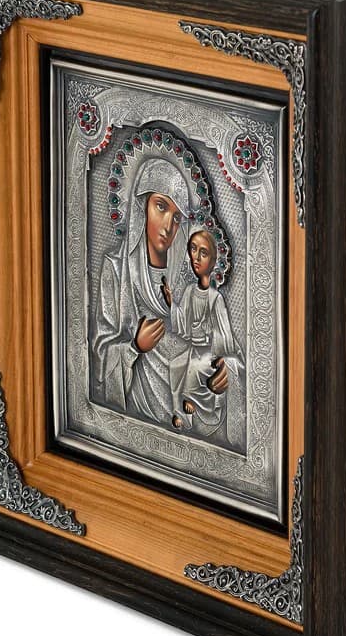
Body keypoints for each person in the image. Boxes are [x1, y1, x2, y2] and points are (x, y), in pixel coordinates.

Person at [92, 158, 194, 423]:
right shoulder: (116, 270)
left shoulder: (185, 279)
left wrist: (220, 371)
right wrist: (135, 346)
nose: (168, 226)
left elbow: (205, 342)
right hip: (139, 405)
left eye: (177, 217)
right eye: (161, 206)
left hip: (185, 404)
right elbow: (100, 354)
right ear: (142, 206)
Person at [164, 227, 243, 446]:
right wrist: (172, 304)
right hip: (193, 349)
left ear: (214, 261)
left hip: (209, 354)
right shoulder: (190, 291)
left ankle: (194, 409)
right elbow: (183, 322)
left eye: (203, 253)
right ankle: (180, 413)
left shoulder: (215, 298)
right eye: (193, 250)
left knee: (194, 370)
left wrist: (223, 357)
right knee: (175, 366)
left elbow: (224, 332)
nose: (196, 258)